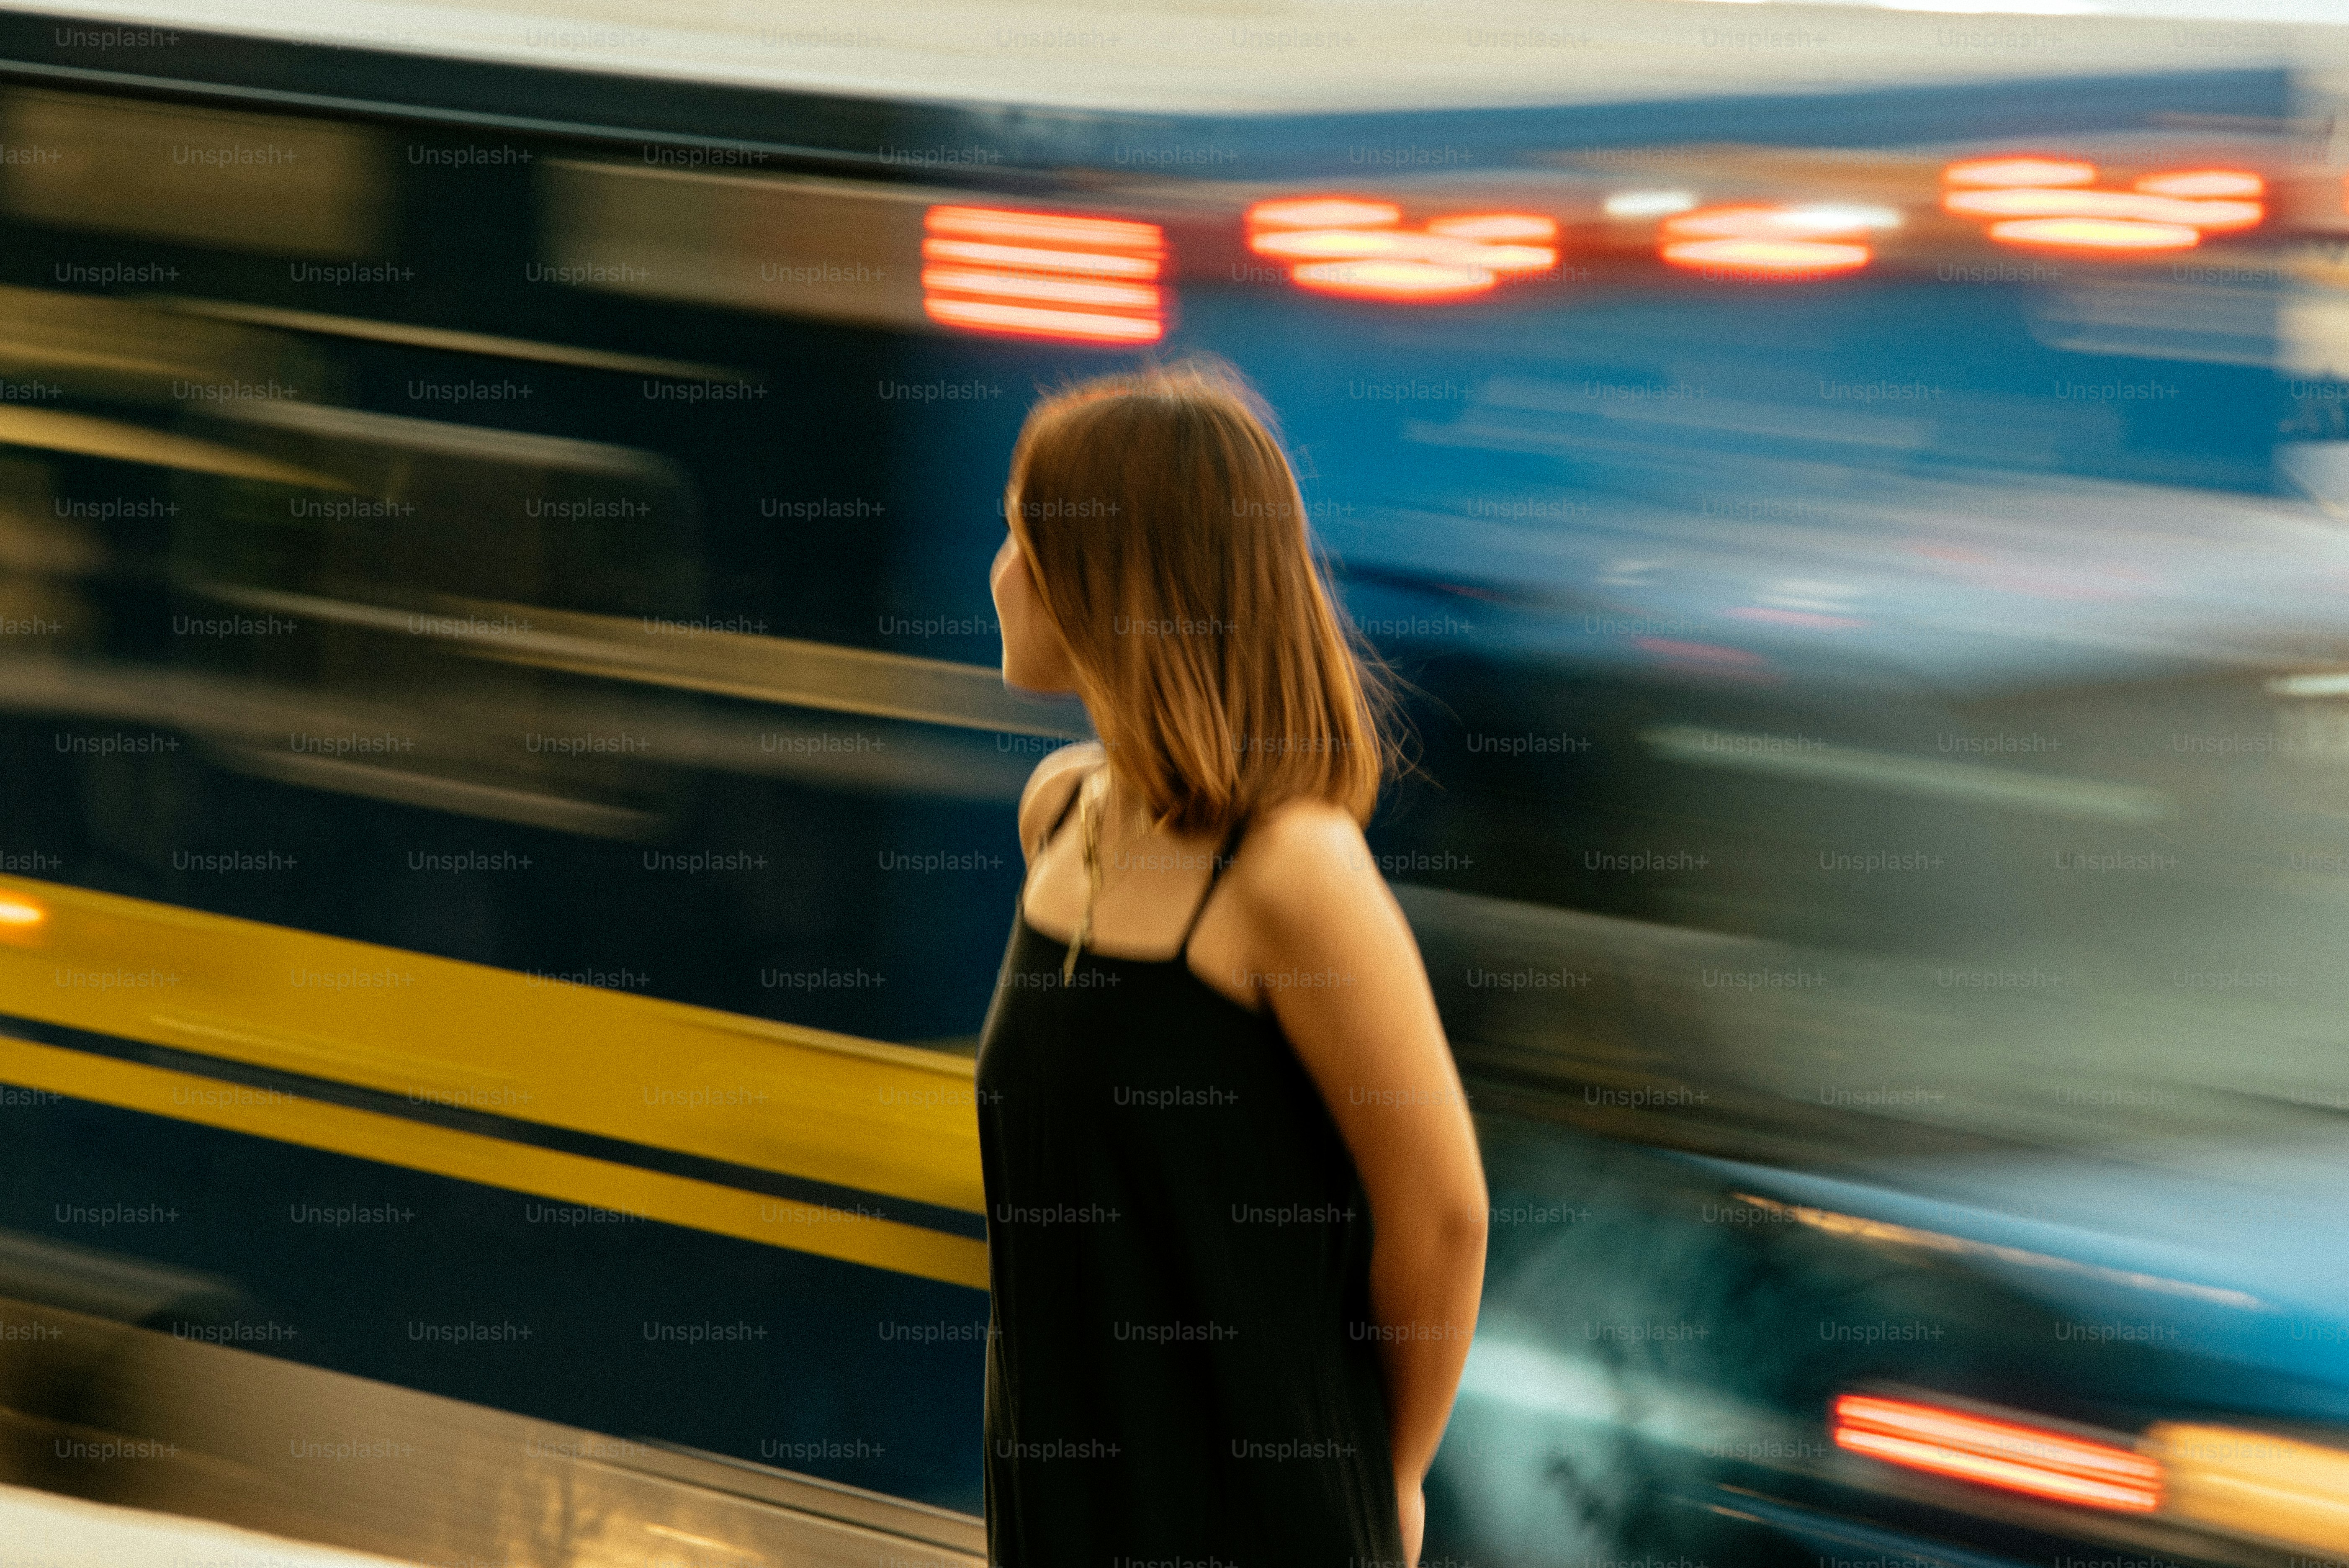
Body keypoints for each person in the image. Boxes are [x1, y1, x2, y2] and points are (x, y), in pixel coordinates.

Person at [976, 357, 1489, 1568]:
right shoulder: (1059, 814)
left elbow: (1443, 1214)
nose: (1000, 571)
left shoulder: (1289, 870)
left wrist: (1393, 1477)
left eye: (1022, 535)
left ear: (1110, 573)